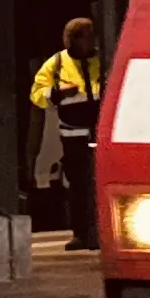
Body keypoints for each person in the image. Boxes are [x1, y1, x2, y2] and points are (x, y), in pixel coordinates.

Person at [32, 15, 104, 248]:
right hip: (73, 133)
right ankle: (81, 233)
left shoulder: (103, 59)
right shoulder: (57, 63)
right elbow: (37, 93)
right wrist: (56, 94)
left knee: (99, 184)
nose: (91, 41)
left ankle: (100, 233)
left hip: (100, 132)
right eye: (86, 37)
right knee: (78, 185)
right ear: (73, 40)